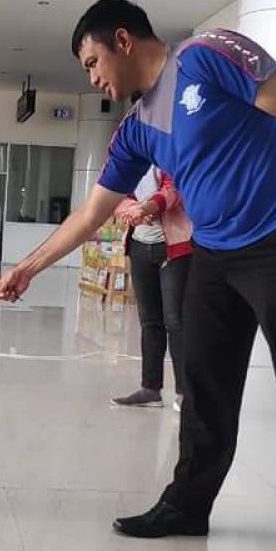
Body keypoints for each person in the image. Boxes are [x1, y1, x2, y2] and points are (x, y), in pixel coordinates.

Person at [0, 0, 276, 551]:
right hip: (215, 252)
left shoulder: (206, 55)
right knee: (203, 383)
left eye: (91, 62)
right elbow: (93, 212)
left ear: (121, 40)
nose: (91, 77)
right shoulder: (136, 128)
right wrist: (28, 267)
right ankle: (188, 506)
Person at [110, 166, 192, 411]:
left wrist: (149, 208)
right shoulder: (130, 157)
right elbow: (114, 194)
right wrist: (133, 210)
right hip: (139, 246)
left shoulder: (169, 152)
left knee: (176, 321)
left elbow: (175, 190)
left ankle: (185, 393)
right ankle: (150, 389)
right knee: (149, 322)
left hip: (174, 248)